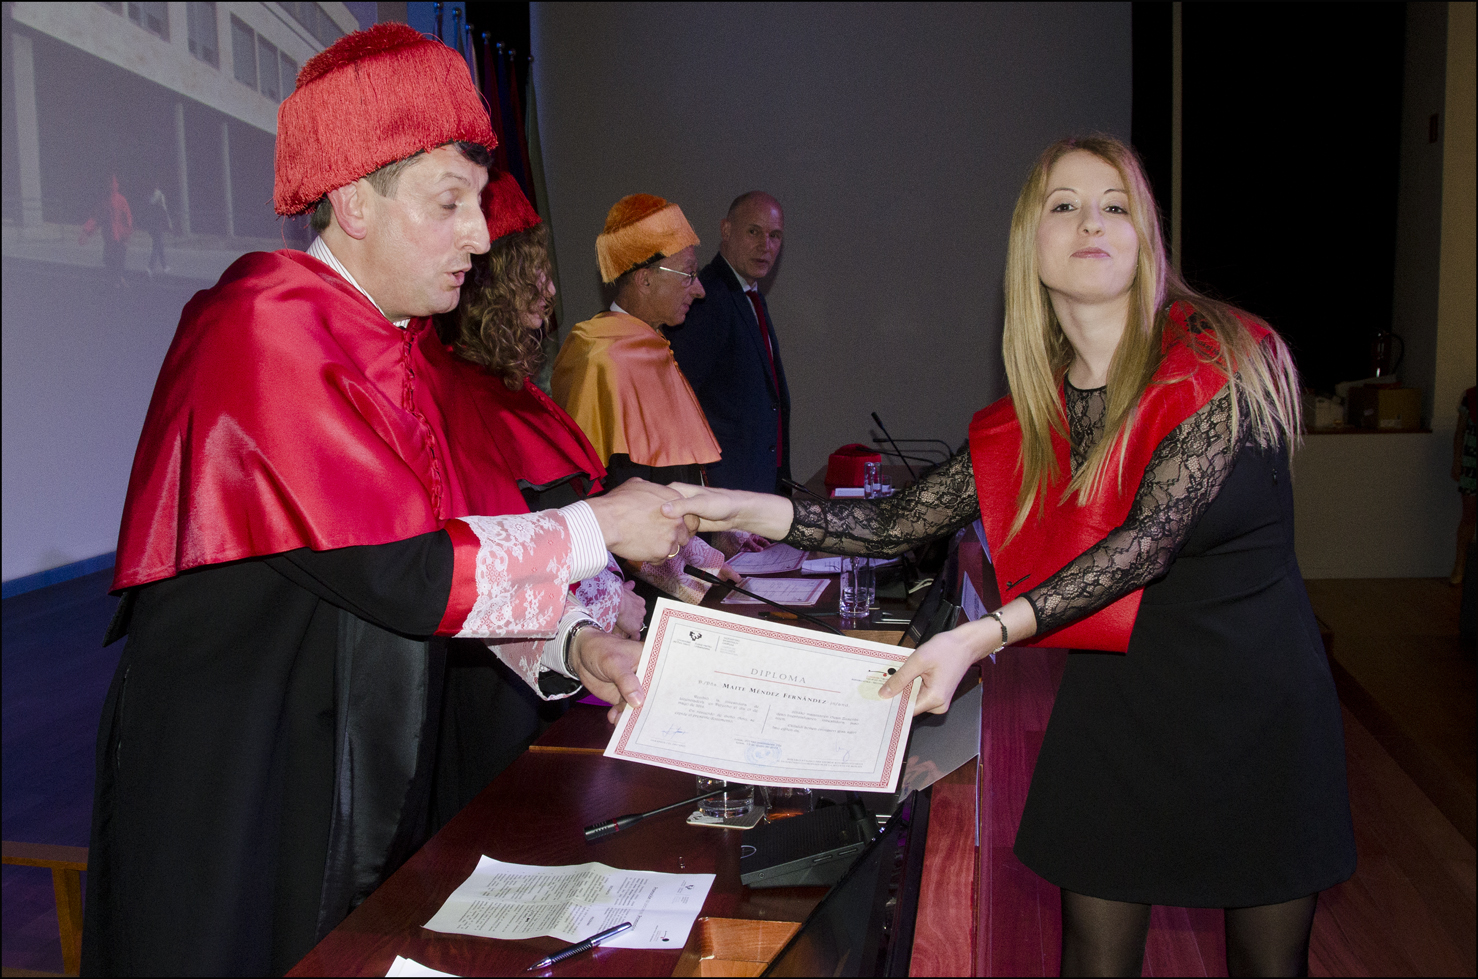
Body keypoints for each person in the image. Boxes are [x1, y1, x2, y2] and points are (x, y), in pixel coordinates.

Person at [664, 135, 1355, 976]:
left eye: (1114, 205)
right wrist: (741, 506)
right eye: (1065, 205)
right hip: (1121, 704)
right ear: (1032, 243)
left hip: (1257, 706)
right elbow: (894, 521)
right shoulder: (1037, 413)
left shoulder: (1218, 357)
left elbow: (1144, 543)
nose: (1091, 222)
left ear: (1145, 236)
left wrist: (977, 635)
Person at [83, 25, 691, 976]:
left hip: (329, 761)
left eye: (479, 203)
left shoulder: (391, 342)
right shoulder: (265, 324)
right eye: (450, 203)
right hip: (241, 783)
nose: (481, 235)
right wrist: (601, 523)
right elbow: (407, 575)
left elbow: (436, 548)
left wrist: (574, 645)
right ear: (353, 200)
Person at [428, 169, 647, 824]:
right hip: (499, 684)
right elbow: (491, 551)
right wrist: (607, 601)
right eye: (531, 273)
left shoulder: (513, 389)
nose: (550, 291)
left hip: (563, 658)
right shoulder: (453, 393)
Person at [551, 194, 749, 603]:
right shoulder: (601, 357)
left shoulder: (654, 346)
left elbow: (668, 487)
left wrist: (712, 550)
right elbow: (603, 501)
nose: (699, 290)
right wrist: (690, 579)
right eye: (688, 274)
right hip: (630, 596)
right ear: (644, 279)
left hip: (674, 574)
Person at [667, 191, 792, 493]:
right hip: (725, 490)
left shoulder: (750, 295)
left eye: (774, 236)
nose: (765, 246)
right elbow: (681, 402)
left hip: (758, 484)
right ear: (726, 230)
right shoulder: (706, 297)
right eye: (753, 232)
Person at [79, 174, 132, 288]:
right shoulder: (104, 202)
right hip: (109, 236)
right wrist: (86, 232)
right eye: (110, 183)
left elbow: (127, 218)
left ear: (117, 185)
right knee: (108, 258)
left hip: (120, 235)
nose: (112, 185)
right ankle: (116, 279)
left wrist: (127, 236)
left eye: (114, 182)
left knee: (120, 258)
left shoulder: (122, 200)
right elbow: (96, 218)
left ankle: (118, 278)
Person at [1452, 385, 1477, 585]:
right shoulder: (1471, 396)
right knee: (1468, 516)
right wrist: (1457, 461)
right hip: (1471, 465)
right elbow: (1460, 432)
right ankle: (1460, 566)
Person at [142, 183, 172, 275]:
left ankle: (165, 266)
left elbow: (146, 212)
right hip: (159, 224)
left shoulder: (148, 198)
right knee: (157, 245)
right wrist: (169, 223)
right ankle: (150, 268)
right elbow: (164, 210)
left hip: (151, 225)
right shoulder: (160, 196)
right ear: (158, 187)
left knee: (159, 244)